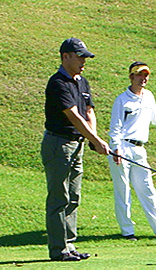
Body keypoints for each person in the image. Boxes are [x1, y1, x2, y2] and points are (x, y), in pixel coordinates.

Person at [41, 37, 110, 261]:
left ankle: (69, 246)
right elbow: (73, 115)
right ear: (66, 56)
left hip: (76, 144)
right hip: (58, 144)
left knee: (73, 197)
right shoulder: (58, 82)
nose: (84, 61)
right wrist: (95, 140)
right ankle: (58, 250)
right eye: (80, 56)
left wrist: (93, 138)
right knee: (59, 197)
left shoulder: (82, 81)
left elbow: (89, 112)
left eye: (85, 57)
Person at [108, 61, 156, 241]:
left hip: (139, 149)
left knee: (147, 189)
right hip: (122, 148)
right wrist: (116, 148)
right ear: (131, 77)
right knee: (123, 191)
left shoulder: (148, 96)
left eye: (146, 75)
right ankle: (128, 232)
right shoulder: (122, 99)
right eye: (139, 75)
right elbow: (115, 127)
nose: (143, 78)